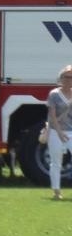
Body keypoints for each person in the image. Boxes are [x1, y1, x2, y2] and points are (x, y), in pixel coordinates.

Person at [46, 66, 72, 200]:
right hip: (56, 132)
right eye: (66, 77)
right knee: (56, 162)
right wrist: (60, 132)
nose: (69, 80)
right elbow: (52, 116)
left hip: (71, 131)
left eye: (71, 77)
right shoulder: (54, 94)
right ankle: (56, 191)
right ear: (61, 79)